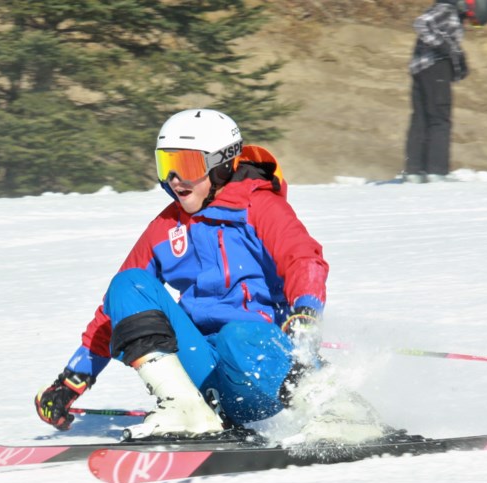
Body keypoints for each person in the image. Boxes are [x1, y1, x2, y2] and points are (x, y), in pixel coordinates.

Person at [35, 108, 385, 444]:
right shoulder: (166, 227)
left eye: (186, 165)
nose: (174, 179)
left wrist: (306, 313)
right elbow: (116, 309)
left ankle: (341, 410)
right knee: (126, 285)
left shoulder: (259, 207)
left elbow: (303, 258)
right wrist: (73, 380)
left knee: (237, 335)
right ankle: (187, 409)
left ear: (222, 166)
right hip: (206, 371)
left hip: (265, 369)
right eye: (166, 165)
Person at [402, 0, 487, 183]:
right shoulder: (447, 10)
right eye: (471, 19)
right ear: (472, 7)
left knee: (421, 119)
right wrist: (444, 46)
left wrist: (458, 62)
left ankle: (414, 172)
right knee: (440, 120)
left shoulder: (450, 13)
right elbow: (421, 23)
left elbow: (445, 43)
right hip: (435, 68)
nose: (469, 23)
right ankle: (437, 171)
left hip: (422, 69)